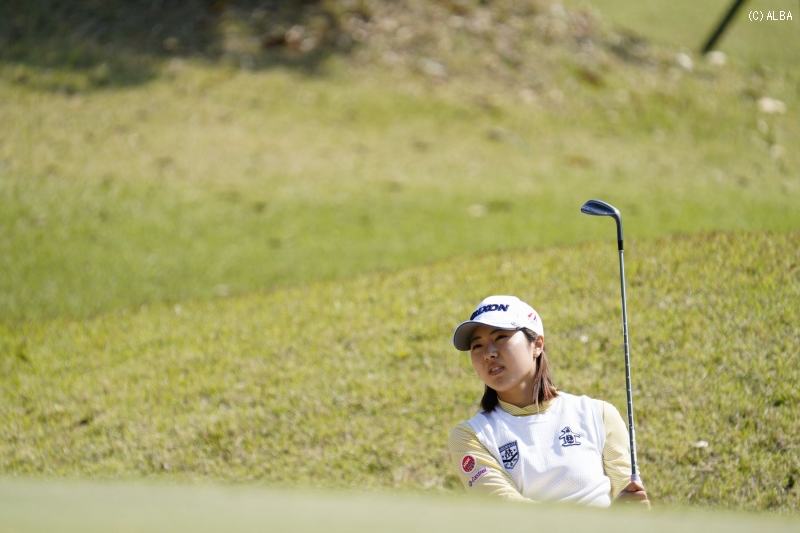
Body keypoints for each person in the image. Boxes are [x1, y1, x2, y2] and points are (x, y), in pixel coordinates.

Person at [449, 295, 649, 507]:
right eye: (477, 346)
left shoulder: (599, 415)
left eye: (500, 337)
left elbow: (632, 505)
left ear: (537, 344)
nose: (488, 353)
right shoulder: (471, 436)